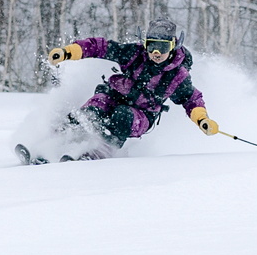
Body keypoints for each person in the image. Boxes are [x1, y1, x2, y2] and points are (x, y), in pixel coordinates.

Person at [47, 17, 218, 153]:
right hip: (114, 96)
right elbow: (100, 47)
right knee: (92, 111)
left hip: (142, 113)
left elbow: (192, 100)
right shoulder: (134, 54)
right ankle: (54, 144)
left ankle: (101, 152)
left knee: (123, 117)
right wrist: (68, 52)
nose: (156, 53)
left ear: (173, 46)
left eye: (162, 47)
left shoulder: (177, 76)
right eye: (151, 46)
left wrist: (202, 119)